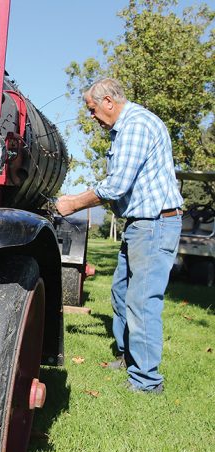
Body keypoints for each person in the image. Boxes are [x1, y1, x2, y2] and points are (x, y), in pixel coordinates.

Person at [56, 78, 183, 394]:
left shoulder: (135, 126)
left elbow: (116, 186)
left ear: (109, 101)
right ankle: (130, 358)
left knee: (142, 300)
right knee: (121, 291)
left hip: (154, 224)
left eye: (92, 109)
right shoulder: (130, 125)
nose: (92, 116)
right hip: (140, 224)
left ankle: (147, 381)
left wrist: (71, 202)